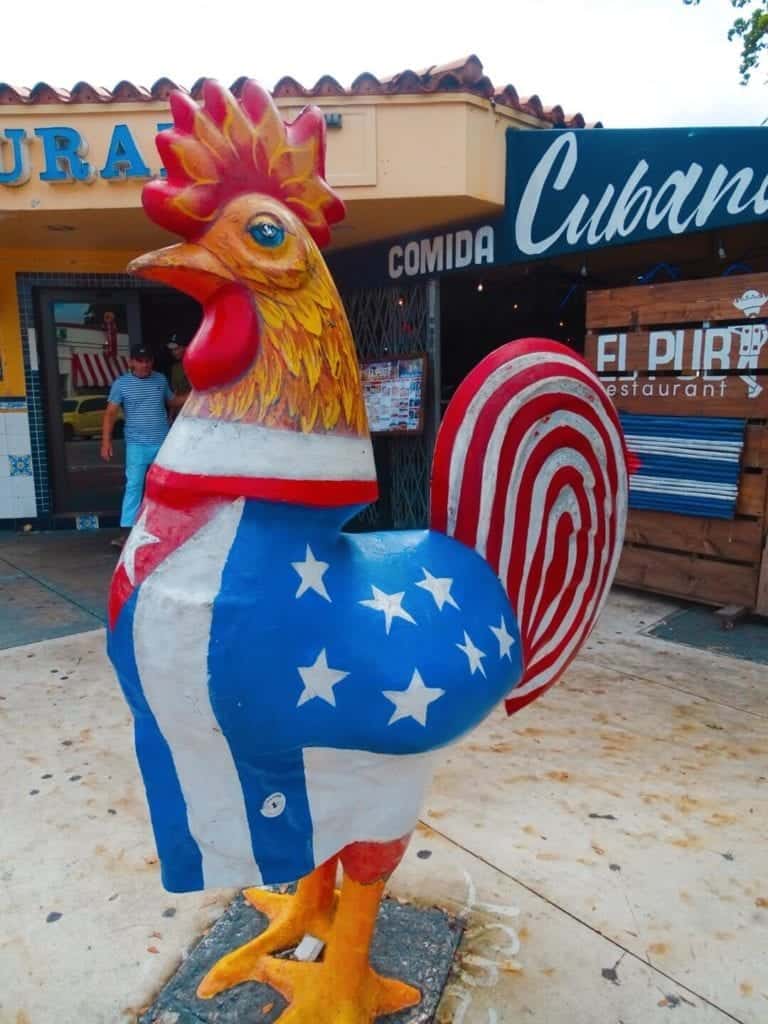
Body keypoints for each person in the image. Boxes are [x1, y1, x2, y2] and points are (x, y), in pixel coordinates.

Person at [101, 345, 185, 547]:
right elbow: (110, 413)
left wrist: (197, 394)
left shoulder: (160, 379)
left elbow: (172, 401)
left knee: (165, 485)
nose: (145, 364)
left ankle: (166, 528)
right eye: (140, 361)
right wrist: (106, 442)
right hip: (137, 445)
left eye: (148, 360)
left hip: (163, 443)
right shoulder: (121, 384)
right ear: (131, 362)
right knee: (134, 486)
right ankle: (127, 532)